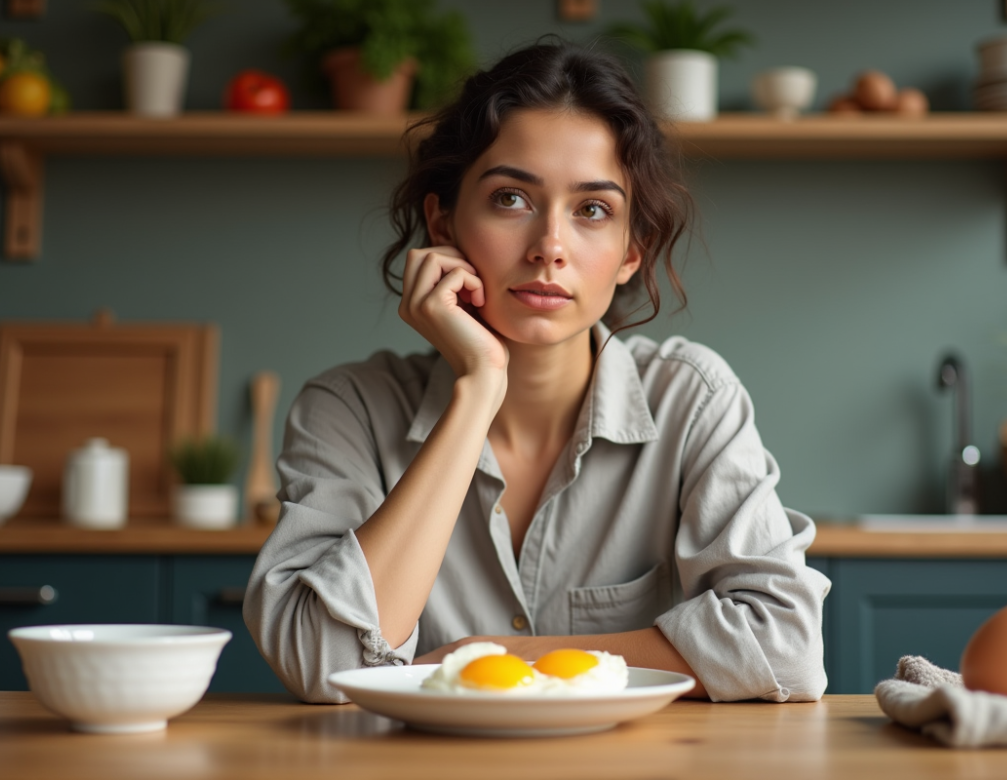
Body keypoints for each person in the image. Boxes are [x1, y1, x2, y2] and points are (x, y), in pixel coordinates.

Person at [244, 41, 831, 704]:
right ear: (443, 222)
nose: (550, 246)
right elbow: (324, 665)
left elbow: (784, 645)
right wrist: (477, 390)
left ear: (630, 252)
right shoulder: (347, 409)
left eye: (592, 210)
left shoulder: (691, 400)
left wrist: (514, 658)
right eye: (511, 199)